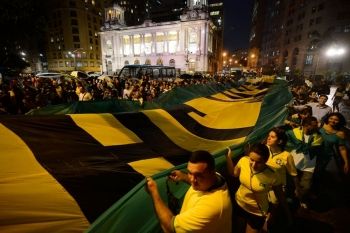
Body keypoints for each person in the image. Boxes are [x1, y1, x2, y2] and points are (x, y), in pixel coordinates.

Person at [146, 150, 232, 233]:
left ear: (212, 172)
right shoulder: (217, 178)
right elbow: (196, 182)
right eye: (190, 173)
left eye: (198, 175)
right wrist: (183, 177)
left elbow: (169, 227)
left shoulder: (212, 207)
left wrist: (154, 192)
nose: (192, 180)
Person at [226, 143, 291, 233]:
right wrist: (228, 157)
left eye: (259, 162)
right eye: (252, 160)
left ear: (265, 161)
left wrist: (288, 214)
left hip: (256, 212)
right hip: (239, 204)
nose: (253, 165)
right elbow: (233, 173)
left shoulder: (273, 175)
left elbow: (280, 196)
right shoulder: (243, 161)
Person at [285, 116, 323, 208]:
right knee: (290, 184)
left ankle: (301, 199)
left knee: (306, 186)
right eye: (314, 125)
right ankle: (291, 199)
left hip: (308, 166)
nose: (317, 127)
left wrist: (299, 144)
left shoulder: (318, 136)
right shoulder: (292, 133)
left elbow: (311, 148)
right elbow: (287, 146)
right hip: (293, 164)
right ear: (306, 125)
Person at [265, 127, 301, 203]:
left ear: (280, 141)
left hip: (277, 188)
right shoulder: (264, 149)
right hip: (263, 184)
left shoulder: (286, 156)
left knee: (274, 204)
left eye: (272, 137)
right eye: (268, 136)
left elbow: (294, 174)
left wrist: (297, 189)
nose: (268, 138)